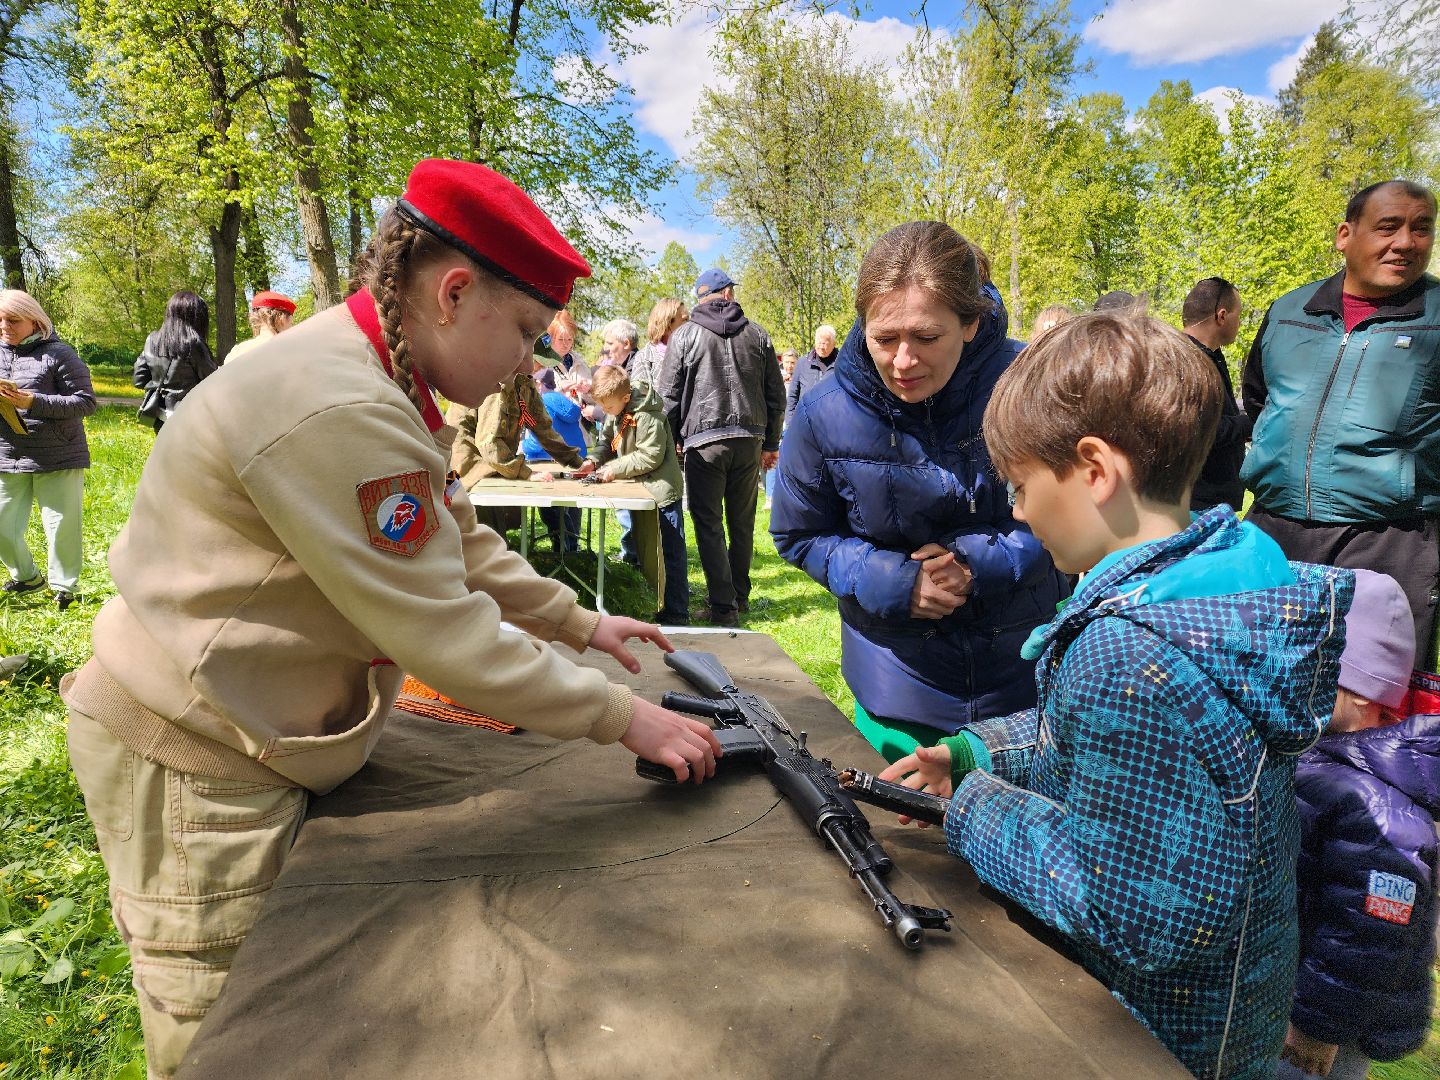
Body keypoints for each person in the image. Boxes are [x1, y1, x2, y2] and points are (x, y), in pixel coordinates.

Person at [60, 159, 721, 1079]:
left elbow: (450, 532)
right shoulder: (337, 401)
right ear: (454, 294)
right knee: (225, 1026)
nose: (527, 363)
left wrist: (579, 623)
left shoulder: (372, 372)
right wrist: (623, 715)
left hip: (251, 728)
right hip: (199, 755)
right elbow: (442, 630)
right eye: (525, 332)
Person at [877, 312, 1353, 1079]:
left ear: (1094, 469)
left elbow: (1131, 911)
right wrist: (974, 752)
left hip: (1156, 1039)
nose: (1019, 511)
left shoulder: (1129, 654)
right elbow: (1102, 744)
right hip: (1236, 1010)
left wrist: (974, 807)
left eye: (1022, 486)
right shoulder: (1214, 584)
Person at [770, 222, 1069, 759]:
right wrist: (892, 582)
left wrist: (978, 563)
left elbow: (1077, 515)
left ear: (971, 323)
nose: (903, 361)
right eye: (883, 339)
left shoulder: (1033, 385)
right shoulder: (822, 412)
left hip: (1026, 690)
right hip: (896, 690)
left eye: (927, 338)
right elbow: (799, 534)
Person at [1243, 179, 1439, 653]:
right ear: (1345, 235)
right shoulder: (1289, 311)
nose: (1406, 242)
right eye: (1388, 226)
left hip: (1391, 542)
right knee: (1255, 676)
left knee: (1370, 695)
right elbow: (1258, 401)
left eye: (1422, 228)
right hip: (1275, 532)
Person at [1279, 569, 1438, 1080]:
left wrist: (1317, 1027)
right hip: (1297, 990)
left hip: (1330, 1027)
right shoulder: (1321, 757)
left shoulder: (1379, 808)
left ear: (1364, 693)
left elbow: (1372, 934)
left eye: (1310, 673)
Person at [658, 268, 785, 626]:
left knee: (709, 524)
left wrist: (671, 445)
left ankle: (724, 606)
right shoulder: (757, 334)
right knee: (742, 522)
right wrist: (771, 443)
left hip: (704, 443)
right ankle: (737, 598)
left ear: (702, 297)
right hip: (748, 439)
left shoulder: (684, 336)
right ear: (728, 293)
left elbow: (667, 398)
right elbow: (776, 396)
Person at [0, 289, 97, 611]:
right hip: (7, 451)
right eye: (0, 320)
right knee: (2, 524)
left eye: (13, 320)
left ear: (35, 321)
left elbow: (85, 402)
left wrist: (33, 402)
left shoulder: (59, 354)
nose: (5, 326)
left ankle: (64, 587)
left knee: (60, 526)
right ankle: (27, 577)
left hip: (57, 453)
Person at [576, 366, 689, 624]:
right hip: (643, 491)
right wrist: (593, 461)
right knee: (649, 554)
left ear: (626, 398)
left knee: (669, 556)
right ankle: (658, 604)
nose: (606, 411)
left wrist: (614, 469)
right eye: (602, 406)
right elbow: (607, 441)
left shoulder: (648, 417)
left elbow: (650, 456)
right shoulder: (616, 410)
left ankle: (677, 613)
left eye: (609, 407)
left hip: (662, 493)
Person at [1181, 276, 1251, 512]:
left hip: (1210, 501)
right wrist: (1251, 424)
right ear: (1221, 316)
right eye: (1238, 315)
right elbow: (1199, 429)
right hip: (1196, 505)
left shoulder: (1207, 355)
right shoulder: (1185, 361)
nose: (1239, 323)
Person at [520, 355, 589, 552]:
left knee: (548, 506)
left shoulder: (542, 402)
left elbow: (540, 437)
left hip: (547, 460)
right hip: (575, 459)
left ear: (539, 384)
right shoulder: (564, 401)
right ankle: (571, 545)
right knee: (571, 503)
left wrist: (522, 447)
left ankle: (563, 547)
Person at [132, 290, 217, 432]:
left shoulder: (152, 340)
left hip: (158, 415)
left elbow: (139, 380)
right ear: (198, 317)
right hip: (188, 416)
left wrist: (161, 386)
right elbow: (213, 381)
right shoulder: (194, 343)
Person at [784, 323, 838, 426]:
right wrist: (790, 424)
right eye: (819, 342)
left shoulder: (842, 364)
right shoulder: (802, 363)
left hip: (832, 424)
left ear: (834, 343)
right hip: (805, 424)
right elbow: (792, 396)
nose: (821, 347)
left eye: (825, 343)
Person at [627, 298, 688, 387]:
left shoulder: (694, 352)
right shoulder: (644, 358)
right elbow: (641, 395)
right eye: (685, 320)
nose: (690, 325)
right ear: (666, 324)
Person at [225, 290, 297, 362]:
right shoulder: (291, 350)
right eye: (291, 323)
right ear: (282, 318)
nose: (292, 326)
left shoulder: (237, 352)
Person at [534, 308, 589, 393]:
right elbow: (533, 396)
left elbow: (595, 396)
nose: (566, 344)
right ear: (549, 339)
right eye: (560, 339)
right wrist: (560, 390)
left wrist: (588, 390)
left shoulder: (579, 362)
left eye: (569, 339)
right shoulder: (539, 364)